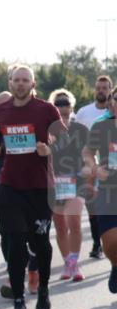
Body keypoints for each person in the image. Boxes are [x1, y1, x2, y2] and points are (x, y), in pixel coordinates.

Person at [0, 64, 66, 309]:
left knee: (40, 244)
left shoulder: (46, 110)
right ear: (10, 83)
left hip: (40, 188)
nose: (20, 84)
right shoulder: (2, 110)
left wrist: (49, 148)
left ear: (33, 84)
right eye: (16, 80)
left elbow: (64, 140)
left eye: (25, 80)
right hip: (10, 185)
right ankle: (19, 301)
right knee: (16, 244)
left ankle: (43, 289)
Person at [47, 89, 90, 282]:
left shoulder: (80, 129)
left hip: (76, 180)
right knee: (61, 227)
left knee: (74, 222)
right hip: (54, 182)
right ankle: (67, 261)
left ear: (72, 107)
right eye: (58, 104)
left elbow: (89, 155)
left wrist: (89, 170)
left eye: (65, 104)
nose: (62, 107)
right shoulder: (47, 130)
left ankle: (74, 263)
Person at [83, 86, 117, 292]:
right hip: (108, 187)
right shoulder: (101, 126)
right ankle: (115, 264)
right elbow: (87, 152)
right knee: (110, 242)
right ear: (112, 102)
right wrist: (95, 168)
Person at [76, 75, 114, 259]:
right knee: (95, 212)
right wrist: (94, 168)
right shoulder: (92, 118)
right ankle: (100, 247)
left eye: (104, 87)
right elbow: (85, 149)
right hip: (100, 175)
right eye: (98, 87)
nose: (101, 90)